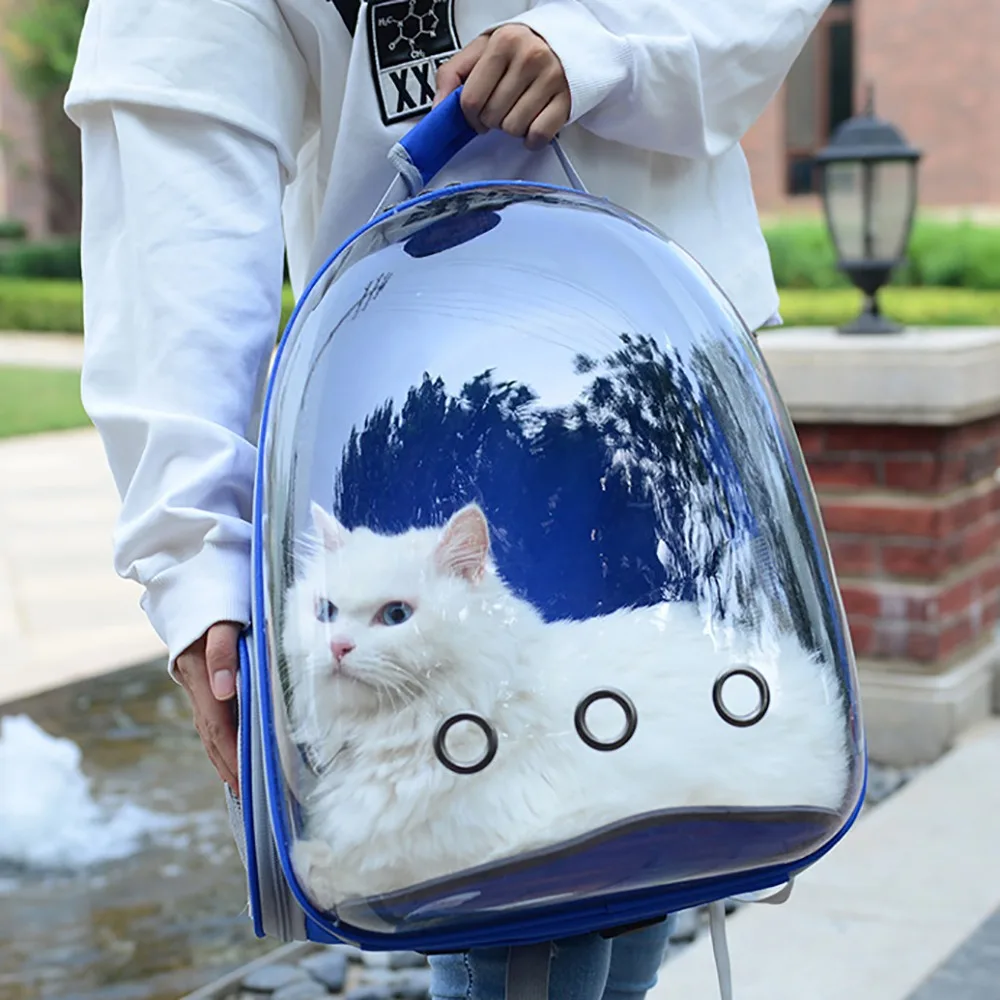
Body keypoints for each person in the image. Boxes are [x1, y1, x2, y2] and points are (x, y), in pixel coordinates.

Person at [65, 1, 830, 996]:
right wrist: (196, 556)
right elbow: (176, 133)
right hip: (413, 374)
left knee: (649, 827)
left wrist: (602, 49)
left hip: (649, 357)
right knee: (485, 855)